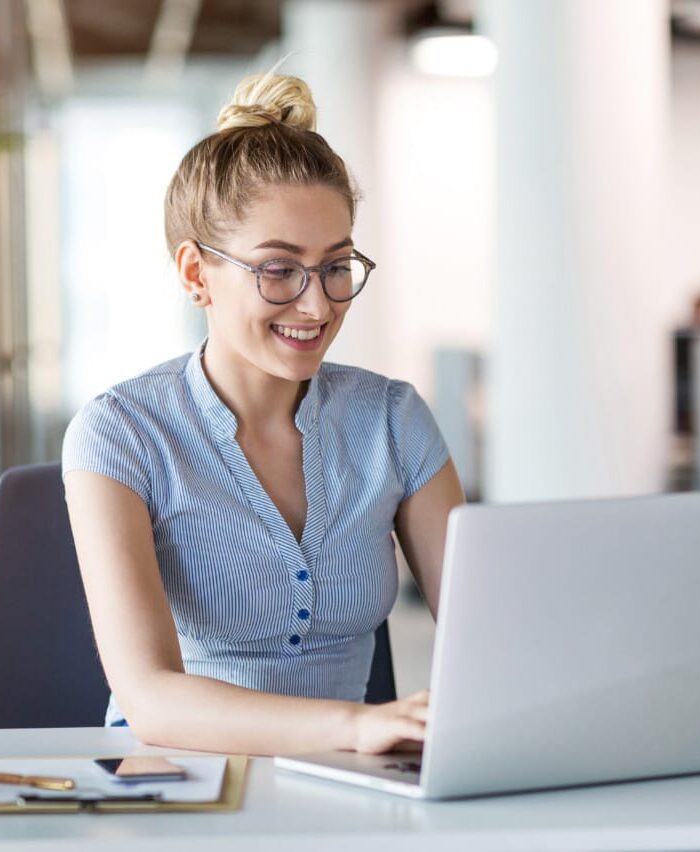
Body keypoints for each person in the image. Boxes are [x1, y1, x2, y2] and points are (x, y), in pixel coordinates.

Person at [61, 72, 464, 757]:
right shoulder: (121, 433)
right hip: (178, 785)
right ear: (195, 274)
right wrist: (356, 725)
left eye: (337, 267)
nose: (317, 306)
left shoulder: (392, 420)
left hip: (350, 787)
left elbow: (488, 638)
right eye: (279, 271)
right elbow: (151, 699)